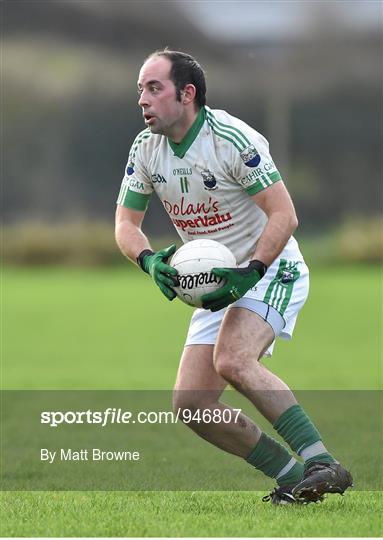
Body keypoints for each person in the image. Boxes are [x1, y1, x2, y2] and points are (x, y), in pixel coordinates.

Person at [115, 49, 352, 505]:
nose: (142, 99)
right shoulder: (146, 149)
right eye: (140, 90)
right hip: (214, 285)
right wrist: (149, 261)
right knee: (191, 406)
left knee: (233, 360)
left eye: (153, 88)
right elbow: (126, 224)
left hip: (269, 267)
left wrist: (252, 271)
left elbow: (285, 214)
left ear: (188, 94)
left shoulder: (230, 138)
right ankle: (295, 476)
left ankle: (322, 461)